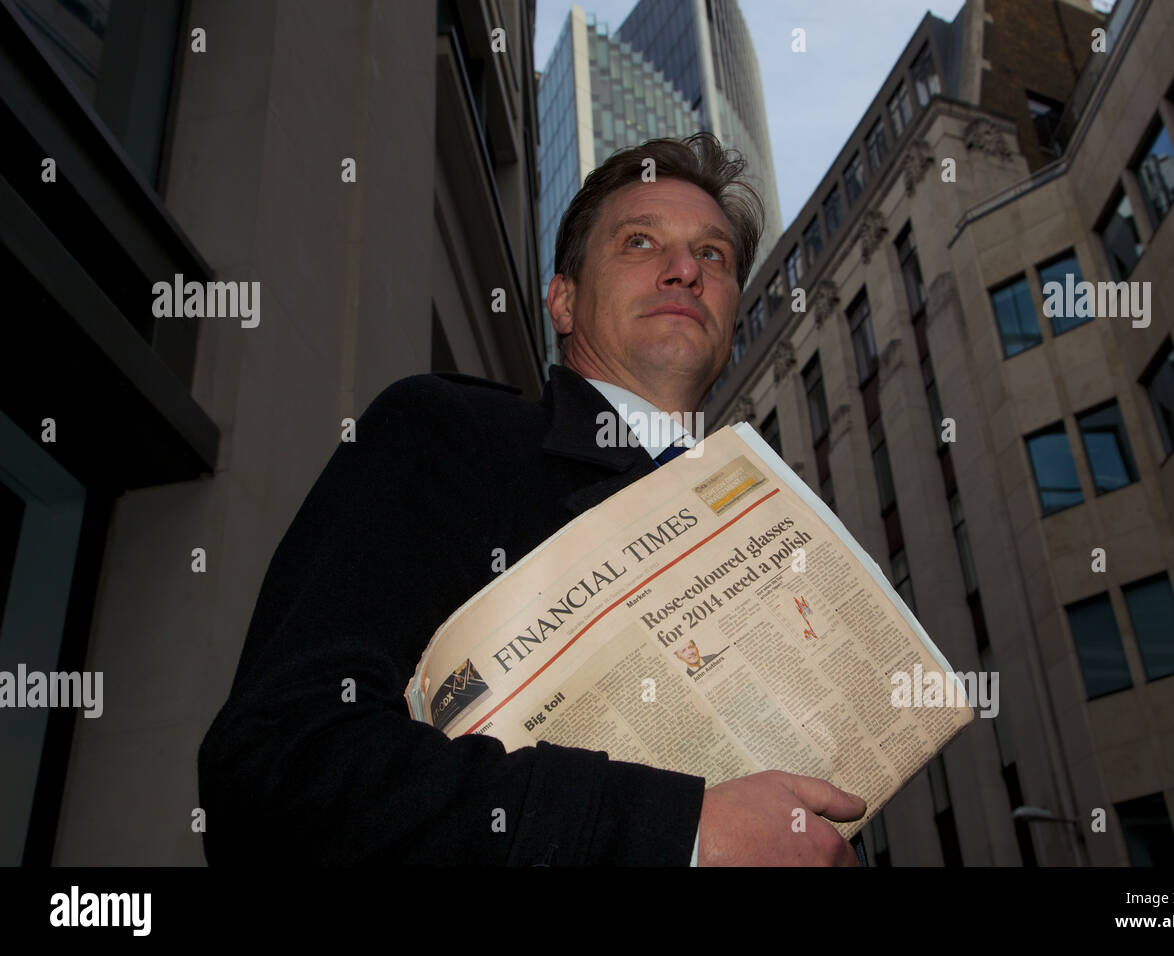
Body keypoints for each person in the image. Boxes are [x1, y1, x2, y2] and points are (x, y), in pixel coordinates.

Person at [198, 132, 865, 866]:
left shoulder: (781, 531)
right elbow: (278, 769)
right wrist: (681, 833)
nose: (684, 271)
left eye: (713, 256)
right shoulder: (449, 432)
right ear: (564, 302)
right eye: (641, 242)